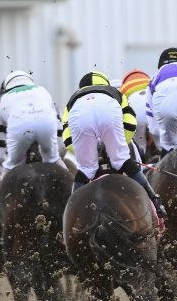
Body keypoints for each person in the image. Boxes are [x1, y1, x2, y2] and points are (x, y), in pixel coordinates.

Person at [61, 71, 167, 220]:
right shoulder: (113, 92)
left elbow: (67, 138)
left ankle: (70, 216)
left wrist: (88, 152)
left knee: (86, 169)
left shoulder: (73, 99)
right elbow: (130, 123)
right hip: (109, 114)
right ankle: (155, 203)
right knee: (122, 160)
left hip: (81, 119)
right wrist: (118, 148)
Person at [0, 71, 67, 175]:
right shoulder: (43, 91)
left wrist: (6, 162)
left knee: (11, 167)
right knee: (54, 161)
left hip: (20, 132)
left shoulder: (4, 99)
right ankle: (73, 189)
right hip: (45, 128)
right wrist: (57, 156)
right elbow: (58, 132)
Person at [121, 69, 160, 157]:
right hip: (153, 108)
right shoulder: (151, 82)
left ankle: (142, 166)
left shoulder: (123, 89)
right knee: (163, 145)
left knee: (139, 147)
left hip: (136, 114)